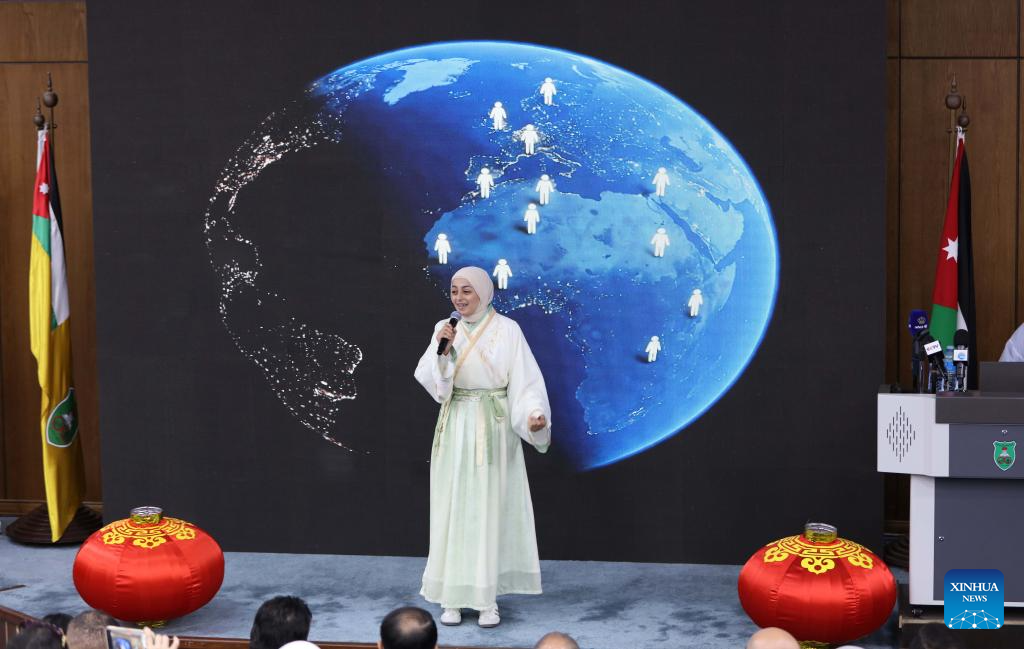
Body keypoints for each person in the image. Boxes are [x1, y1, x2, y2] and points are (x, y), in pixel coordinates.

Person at [414, 266, 552, 629]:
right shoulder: (445, 328)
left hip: (493, 427)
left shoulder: (508, 330)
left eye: (467, 291)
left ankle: (486, 598)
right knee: (454, 507)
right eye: (454, 290)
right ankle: (453, 596)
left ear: (484, 292)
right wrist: (443, 354)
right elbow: (431, 378)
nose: (459, 298)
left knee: (488, 509)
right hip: (456, 422)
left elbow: (525, 382)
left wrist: (534, 414)